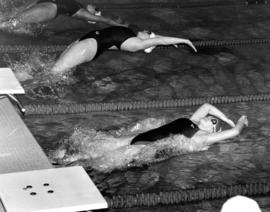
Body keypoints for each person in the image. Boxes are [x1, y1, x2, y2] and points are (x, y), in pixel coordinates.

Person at [51, 26, 198, 75]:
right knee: (54, 70)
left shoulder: (136, 44)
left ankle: (28, 93)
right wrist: (172, 43)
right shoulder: (132, 35)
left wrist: (184, 40)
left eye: (149, 34)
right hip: (86, 40)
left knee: (54, 72)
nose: (147, 31)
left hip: (89, 46)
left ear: (147, 41)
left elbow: (160, 40)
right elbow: (158, 38)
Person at [128, 103, 248, 147]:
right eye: (209, 116)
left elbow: (235, 132)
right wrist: (227, 120)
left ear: (212, 131)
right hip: (140, 137)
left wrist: (242, 120)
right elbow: (207, 106)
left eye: (213, 121)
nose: (208, 117)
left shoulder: (202, 137)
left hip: (142, 148)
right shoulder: (193, 121)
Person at [0, 0, 126, 30]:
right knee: (12, 18)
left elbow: (106, 21)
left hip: (49, 8)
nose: (93, 7)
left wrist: (123, 27)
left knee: (11, 23)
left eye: (95, 10)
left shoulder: (83, 13)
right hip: (45, 3)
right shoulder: (79, 5)